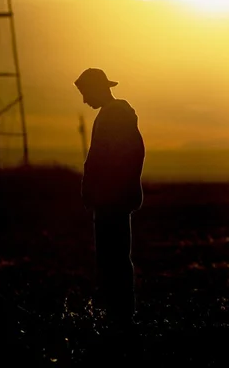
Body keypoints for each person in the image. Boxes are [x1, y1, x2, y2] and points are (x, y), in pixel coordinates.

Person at [74, 68, 145, 325]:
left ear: (97, 89)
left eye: (85, 93)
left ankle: (120, 317)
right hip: (111, 199)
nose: (84, 100)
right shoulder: (115, 115)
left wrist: (106, 189)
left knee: (112, 260)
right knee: (113, 260)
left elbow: (121, 157)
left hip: (111, 201)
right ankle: (118, 314)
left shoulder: (115, 116)